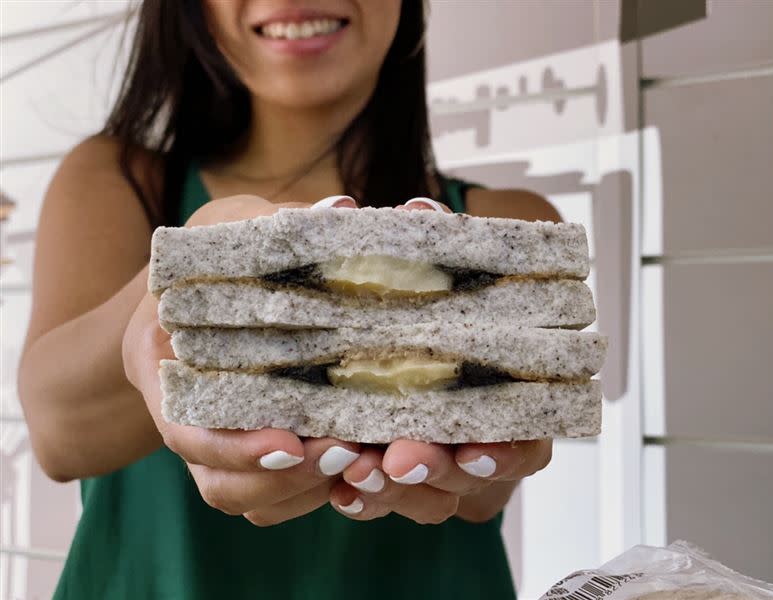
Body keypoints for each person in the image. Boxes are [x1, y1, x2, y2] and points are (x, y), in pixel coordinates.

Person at [18, 1, 561, 598]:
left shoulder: (511, 228)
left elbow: (486, 491)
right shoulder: (117, 178)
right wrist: (193, 274)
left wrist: (481, 441)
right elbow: (57, 432)